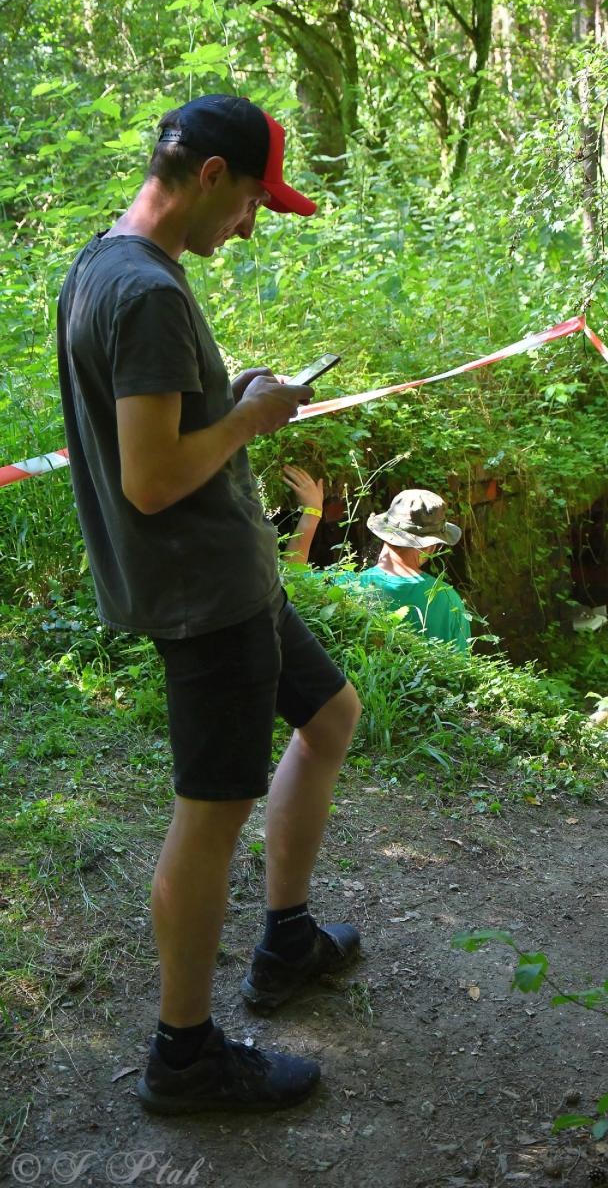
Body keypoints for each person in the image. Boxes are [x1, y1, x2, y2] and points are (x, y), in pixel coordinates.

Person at [57, 95, 362, 1115]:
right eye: (251, 207)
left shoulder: (109, 261)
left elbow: (166, 426)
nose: (249, 227)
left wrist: (237, 398)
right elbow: (149, 477)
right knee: (210, 814)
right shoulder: (143, 291)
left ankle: (286, 942)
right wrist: (252, 419)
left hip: (227, 580)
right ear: (212, 176)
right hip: (204, 599)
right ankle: (183, 1054)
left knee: (329, 717)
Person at [282, 466, 471, 652]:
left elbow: (290, 581)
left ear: (384, 533)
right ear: (431, 547)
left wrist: (312, 511)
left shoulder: (344, 588)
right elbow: (461, 675)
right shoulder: (450, 601)